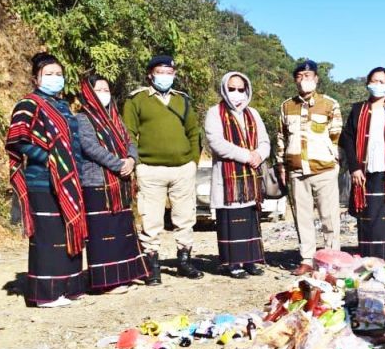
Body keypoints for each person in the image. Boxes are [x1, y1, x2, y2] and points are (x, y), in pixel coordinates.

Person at [5, 53, 87, 307]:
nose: (55, 78)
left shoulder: (62, 106)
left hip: (69, 182)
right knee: (48, 237)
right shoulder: (28, 104)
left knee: (68, 231)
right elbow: (18, 139)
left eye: (58, 74)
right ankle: (46, 294)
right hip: (42, 180)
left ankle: (69, 287)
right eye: (48, 74)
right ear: (35, 78)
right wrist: (48, 157)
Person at [123, 55, 203, 281]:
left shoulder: (182, 100)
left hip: (182, 169)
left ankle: (185, 261)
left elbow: (194, 131)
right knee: (151, 219)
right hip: (150, 168)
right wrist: (137, 162)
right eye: (160, 72)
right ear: (150, 74)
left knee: (185, 217)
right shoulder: (136, 100)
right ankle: (152, 265)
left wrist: (192, 162)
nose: (165, 76)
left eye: (169, 72)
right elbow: (128, 132)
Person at [76, 76, 148, 291]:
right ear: (88, 93)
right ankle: (106, 281)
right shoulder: (82, 119)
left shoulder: (116, 119)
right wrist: (118, 164)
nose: (103, 93)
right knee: (103, 234)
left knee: (122, 230)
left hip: (120, 183)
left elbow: (130, 141)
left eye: (106, 89)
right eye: (98, 89)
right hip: (97, 183)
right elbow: (90, 147)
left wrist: (131, 160)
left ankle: (125, 274)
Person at [275, 60, 343, 276]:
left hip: (324, 168)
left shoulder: (329, 104)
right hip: (296, 170)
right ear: (295, 80)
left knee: (329, 217)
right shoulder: (287, 106)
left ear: (316, 79)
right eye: (300, 76)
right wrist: (281, 165)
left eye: (309, 76)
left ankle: (332, 259)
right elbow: (281, 138)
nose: (305, 80)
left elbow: (336, 136)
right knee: (302, 218)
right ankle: (307, 259)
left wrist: (334, 162)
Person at [340, 67, 385, 261]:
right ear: (367, 84)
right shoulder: (358, 110)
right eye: (374, 81)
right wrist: (354, 167)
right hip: (366, 174)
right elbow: (346, 139)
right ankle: (370, 260)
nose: (377, 85)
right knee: (370, 218)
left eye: (382, 82)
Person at [204, 71, 270, 278]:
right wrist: (247, 156)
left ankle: (250, 260)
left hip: (250, 179)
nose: (236, 93)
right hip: (228, 180)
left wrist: (259, 155)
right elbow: (217, 143)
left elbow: (265, 141)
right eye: (232, 88)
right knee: (231, 221)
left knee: (250, 222)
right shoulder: (214, 113)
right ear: (224, 89)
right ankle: (233, 263)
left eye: (240, 89)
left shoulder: (253, 114)